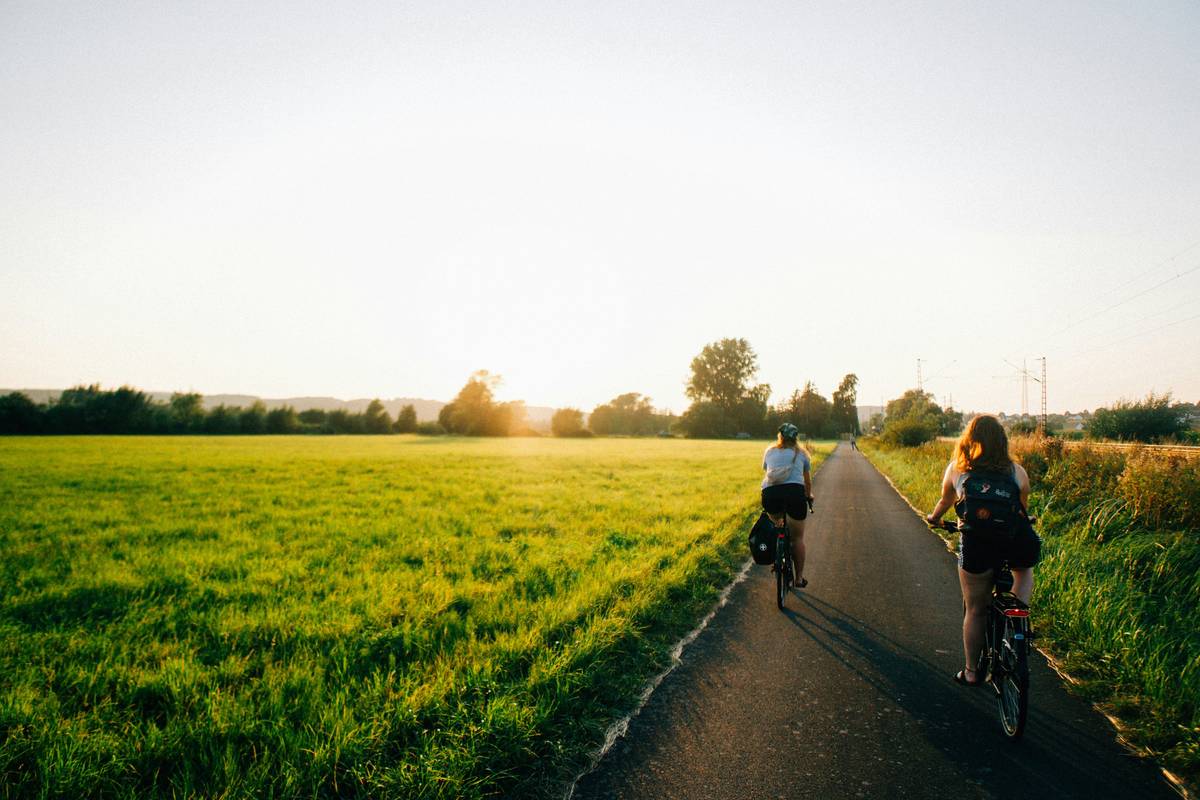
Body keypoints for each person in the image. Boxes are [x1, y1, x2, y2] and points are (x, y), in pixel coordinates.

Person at [925, 414, 1041, 687]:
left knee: (976, 609)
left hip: (977, 543)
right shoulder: (1017, 472)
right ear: (1002, 442)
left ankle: (971, 672)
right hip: (1013, 539)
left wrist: (934, 518)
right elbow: (1021, 512)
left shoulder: (957, 469)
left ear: (969, 440)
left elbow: (945, 500)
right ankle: (1018, 618)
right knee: (1023, 572)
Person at [761, 422, 814, 588]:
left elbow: (767, 471)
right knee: (797, 539)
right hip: (795, 495)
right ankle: (799, 579)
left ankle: (777, 550)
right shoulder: (802, 454)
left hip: (771, 495)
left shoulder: (769, 451)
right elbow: (807, 482)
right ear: (795, 438)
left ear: (780, 436)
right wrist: (809, 496)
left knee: (777, 523)